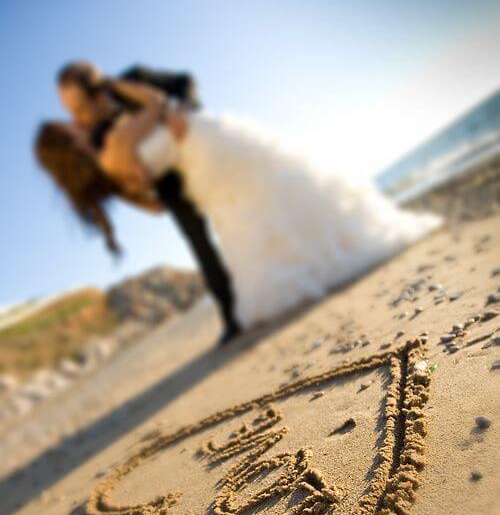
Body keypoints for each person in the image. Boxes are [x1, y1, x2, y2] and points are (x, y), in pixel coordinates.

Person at [36, 81, 442, 331]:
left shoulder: (108, 158)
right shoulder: (111, 153)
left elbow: (155, 195)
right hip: (194, 159)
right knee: (259, 199)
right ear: (68, 144)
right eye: (67, 125)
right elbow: (157, 123)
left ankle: (306, 257)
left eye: (72, 115)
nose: (74, 121)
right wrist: (150, 142)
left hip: (198, 158)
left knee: (259, 201)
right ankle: (322, 246)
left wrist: (162, 131)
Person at [56, 61, 240, 344]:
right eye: (71, 114)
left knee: (236, 215)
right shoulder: (98, 137)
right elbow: (127, 184)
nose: (78, 120)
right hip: (170, 184)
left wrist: (183, 107)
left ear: (97, 92)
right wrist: (137, 181)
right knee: (200, 244)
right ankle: (232, 314)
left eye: (80, 109)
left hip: (200, 149)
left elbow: (184, 80)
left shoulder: (134, 79)